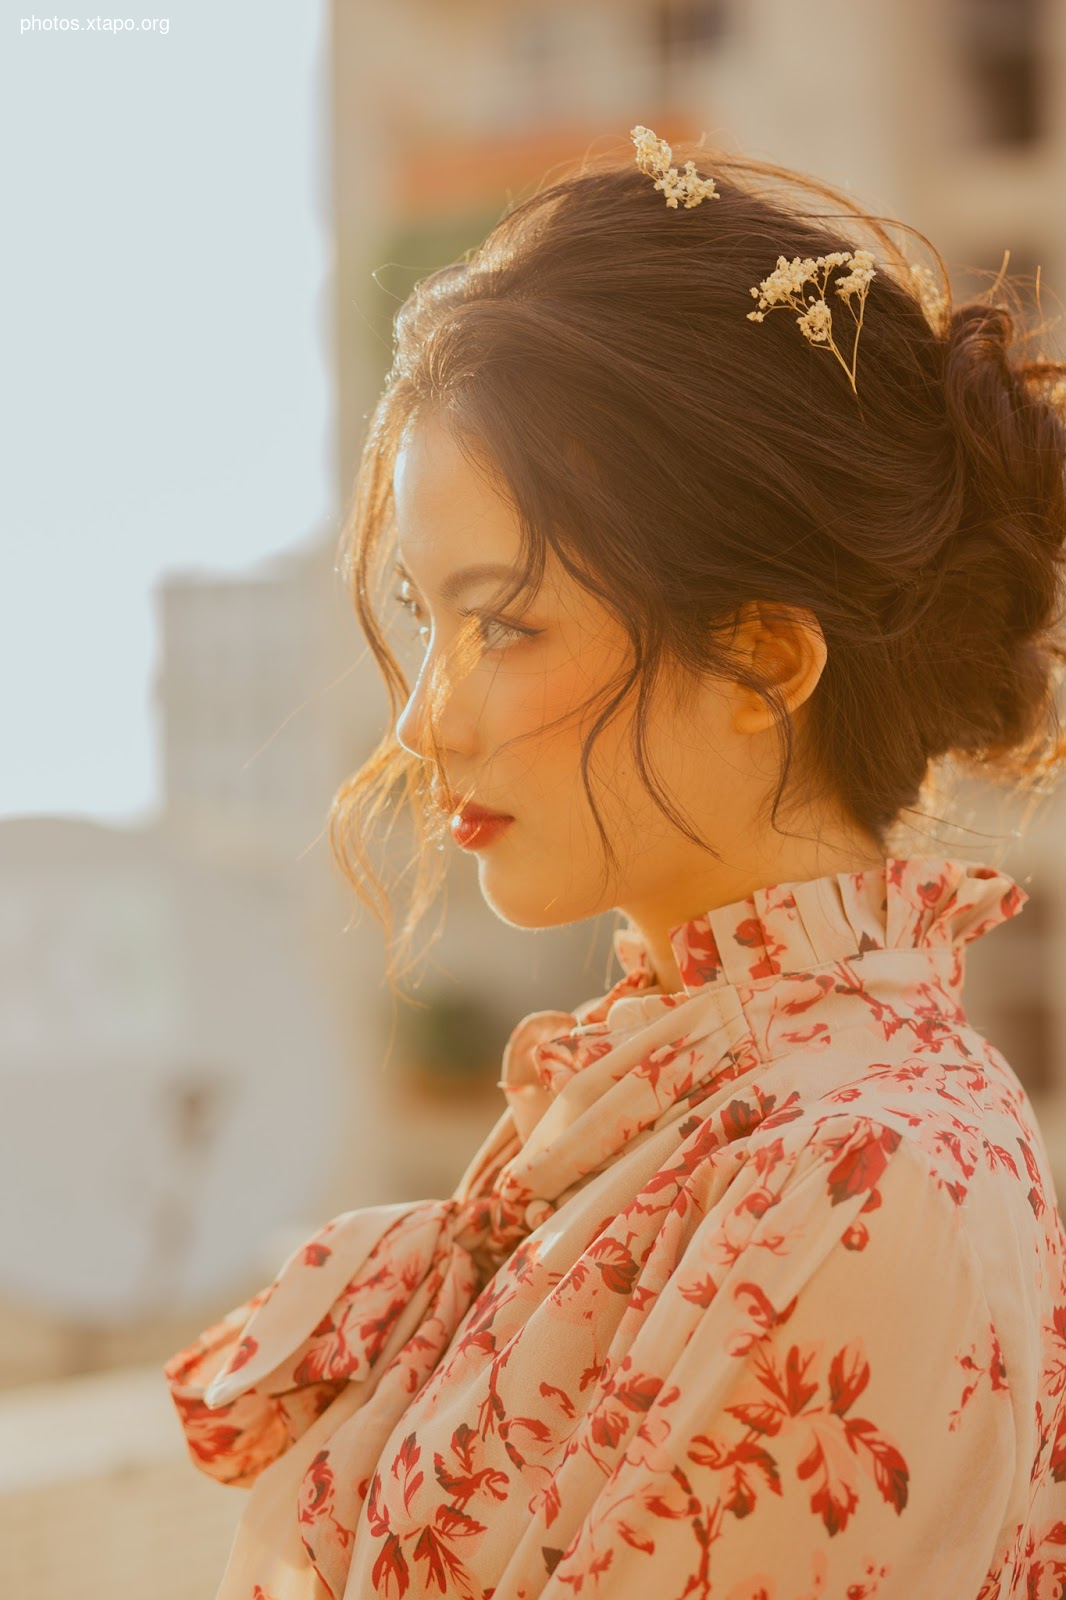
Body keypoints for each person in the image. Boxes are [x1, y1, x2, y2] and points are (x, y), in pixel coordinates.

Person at [165, 126, 1066, 1598]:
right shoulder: (665, 1104)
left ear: (760, 656)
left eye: (503, 624)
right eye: (425, 616)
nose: (420, 717)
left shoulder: (856, 1172)